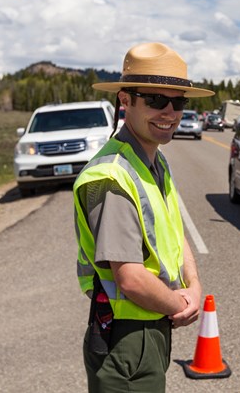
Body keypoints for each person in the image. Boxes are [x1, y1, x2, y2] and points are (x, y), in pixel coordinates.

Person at [73, 42, 214, 392]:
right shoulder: (111, 176)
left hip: (150, 326)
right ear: (125, 100)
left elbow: (172, 229)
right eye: (155, 100)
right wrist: (180, 304)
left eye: (178, 102)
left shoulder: (155, 160)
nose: (169, 112)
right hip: (126, 337)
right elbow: (131, 279)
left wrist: (192, 284)